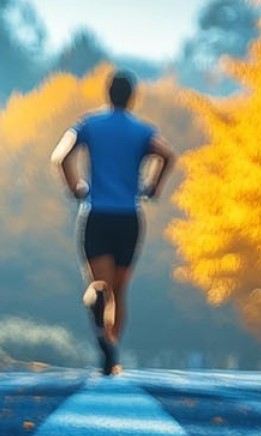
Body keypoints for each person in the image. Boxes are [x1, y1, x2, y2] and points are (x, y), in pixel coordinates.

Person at [51, 71, 177, 376]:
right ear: (132, 97)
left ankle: (100, 330)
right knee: (119, 290)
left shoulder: (89, 124)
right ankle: (112, 350)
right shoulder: (142, 130)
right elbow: (167, 155)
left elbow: (61, 156)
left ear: (107, 93)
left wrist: (75, 187)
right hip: (128, 217)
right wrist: (153, 187)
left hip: (96, 214)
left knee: (100, 285)